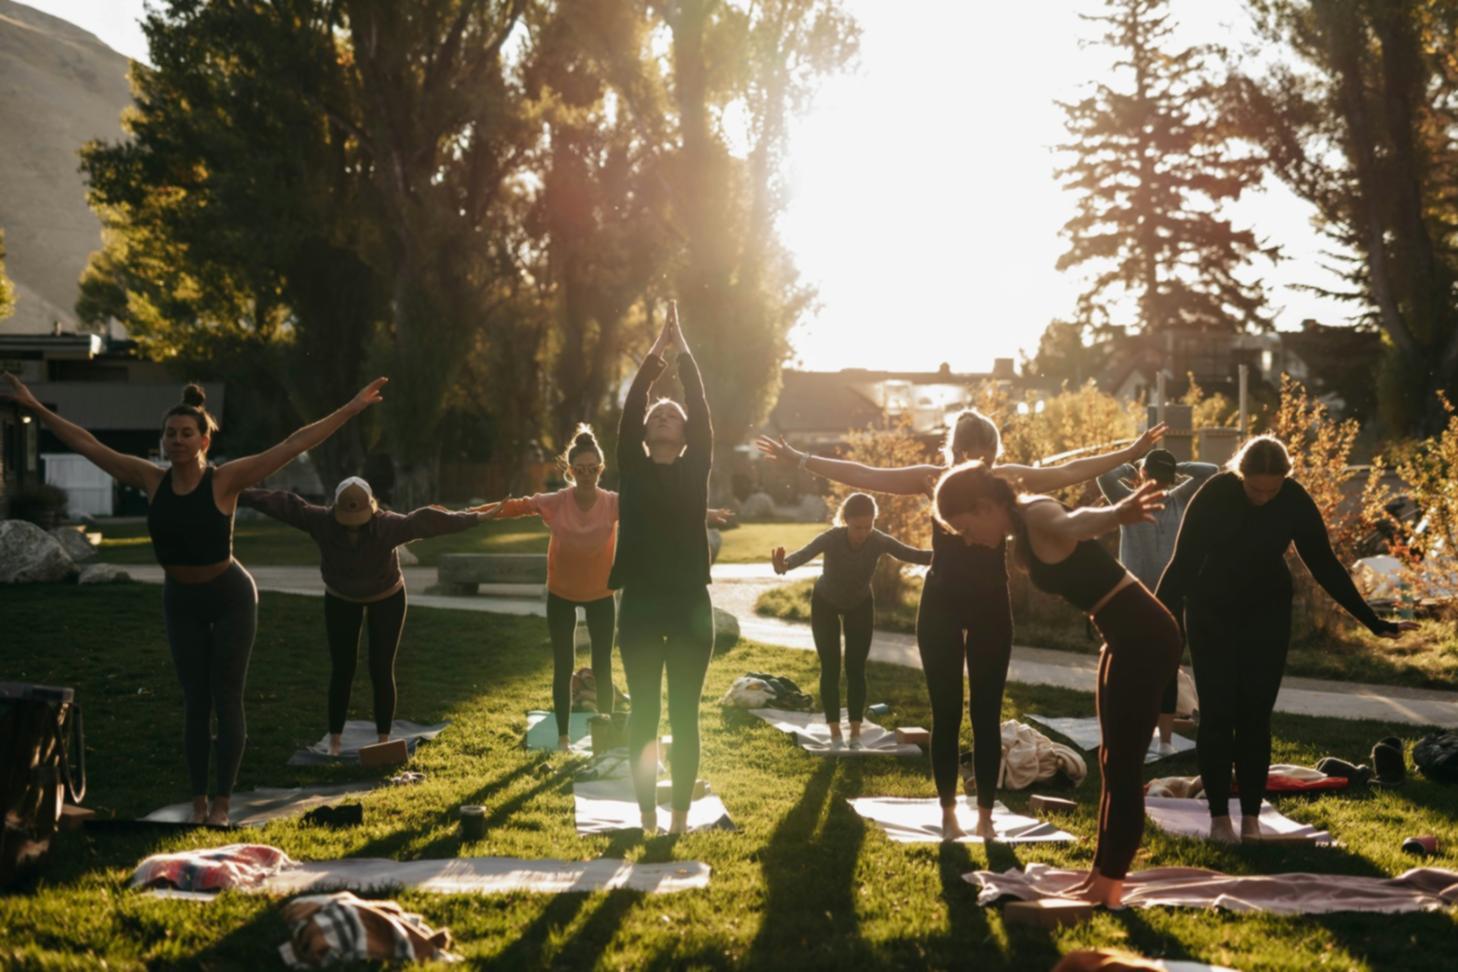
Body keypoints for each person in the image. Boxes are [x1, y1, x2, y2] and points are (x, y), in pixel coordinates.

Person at [757, 414, 1167, 839]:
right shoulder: (934, 480)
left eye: (986, 458)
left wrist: (1131, 453)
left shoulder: (1005, 484)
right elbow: (864, 474)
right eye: (971, 457)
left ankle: (986, 816)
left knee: (987, 714)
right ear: (956, 452)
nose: (978, 466)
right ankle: (949, 813)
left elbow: (1065, 472)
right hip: (941, 607)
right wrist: (801, 459)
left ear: (994, 454)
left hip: (990, 604)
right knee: (947, 712)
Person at [2, 373, 385, 824]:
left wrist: (352, 408)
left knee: (226, 698)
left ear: (204, 439)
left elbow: (292, 443)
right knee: (195, 703)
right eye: (170, 434)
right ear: (162, 440)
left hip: (230, 598)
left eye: (187, 434)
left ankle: (222, 804)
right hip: (180, 599)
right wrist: (35, 406)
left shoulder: (226, 480)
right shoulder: (150, 479)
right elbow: (88, 444)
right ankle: (198, 802)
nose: (177, 441)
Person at [936, 461, 1178, 908]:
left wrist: (1116, 514)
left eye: (966, 527)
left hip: (1145, 635)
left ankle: (1109, 886)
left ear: (985, 506)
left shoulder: (1034, 514)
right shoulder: (1020, 526)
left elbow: (1074, 523)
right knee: (1110, 762)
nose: (968, 540)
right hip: (1121, 636)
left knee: (1124, 768)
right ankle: (1099, 877)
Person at [1155, 435, 1415, 842]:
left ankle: (1252, 819)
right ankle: (1220, 818)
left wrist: (1372, 621)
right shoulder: (1214, 494)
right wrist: (1148, 619)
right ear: (1240, 475)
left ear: (1284, 482)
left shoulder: (1293, 499)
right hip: (1211, 613)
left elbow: (1324, 564)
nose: (1262, 497)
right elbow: (1182, 564)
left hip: (1266, 614)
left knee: (1255, 716)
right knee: (1219, 713)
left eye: (1271, 490)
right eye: (1254, 488)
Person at [491, 426, 735, 751]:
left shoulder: (613, 503)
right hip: (561, 593)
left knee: (602, 666)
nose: (587, 474)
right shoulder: (557, 501)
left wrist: (706, 514)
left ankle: (602, 735)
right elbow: (520, 506)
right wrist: (477, 515)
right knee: (563, 665)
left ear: (601, 470)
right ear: (570, 471)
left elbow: (660, 511)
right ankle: (563, 738)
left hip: (601, 593)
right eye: (580, 469)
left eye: (593, 469)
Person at [238, 477, 494, 755]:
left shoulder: (387, 525)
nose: (353, 529)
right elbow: (282, 504)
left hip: (387, 596)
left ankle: (383, 741)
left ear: (371, 509)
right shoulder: (320, 521)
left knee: (381, 668)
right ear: (335, 510)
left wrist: (476, 518)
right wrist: (238, 490)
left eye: (358, 521)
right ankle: (335, 741)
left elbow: (427, 522)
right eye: (347, 521)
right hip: (340, 597)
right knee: (342, 669)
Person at [609, 302, 714, 835]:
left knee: (686, 716)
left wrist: (685, 347)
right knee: (645, 712)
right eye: (657, 417)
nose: (663, 415)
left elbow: (699, 400)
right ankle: (647, 818)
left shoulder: (697, 468)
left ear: (687, 432)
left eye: (672, 414)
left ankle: (679, 820)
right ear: (647, 436)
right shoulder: (632, 468)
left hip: (692, 603)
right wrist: (656, 355)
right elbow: (631, 410)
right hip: (643, 606)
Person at [770, 492, 931, 747]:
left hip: (860, 605)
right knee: (830, 667)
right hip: (825, 603)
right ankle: (835, 733)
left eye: (869, 526)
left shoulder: (877, 540)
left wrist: (948, 553)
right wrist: (783, 566)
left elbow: (910, 554)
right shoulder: (831, 538)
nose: (863, 532)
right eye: (858, 527)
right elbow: (802, 555)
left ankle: (855, 734)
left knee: (856, 668)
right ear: (846, 521)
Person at [1096, 449, 1219, 753]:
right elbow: (1104, 478)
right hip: (1143, 597)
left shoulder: (1164, 500)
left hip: (1158, 597)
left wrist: (1155, 466)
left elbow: (1211, 470)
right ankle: (1144, 735)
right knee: (1145, 665)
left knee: (1151, 665)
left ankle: (1154, 738)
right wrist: (1155, 467)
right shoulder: (1144, 502)